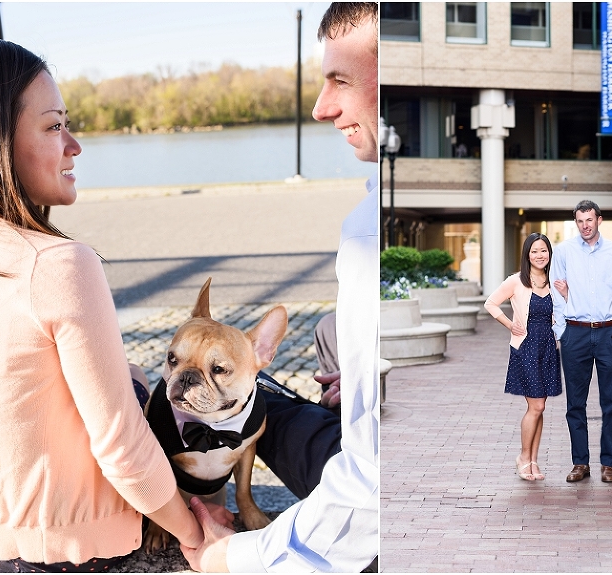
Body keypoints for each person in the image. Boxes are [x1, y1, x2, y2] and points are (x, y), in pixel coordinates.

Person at [180, 3, 379, 571]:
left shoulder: (368, 229)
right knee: (324, 333)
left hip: (368, 493)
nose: (321, 107)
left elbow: (369, 491)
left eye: (341, 79)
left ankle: (247, 403)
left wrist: (234, 554)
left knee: (263, 405)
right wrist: (366, 382)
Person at [0, 39, 204, 572]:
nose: (74, 146)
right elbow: (122, 445)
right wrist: (193, 532)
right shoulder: (56, 265)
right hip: (68, 553)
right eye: (51, 125)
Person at [550, 200, 612, 483]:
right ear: (575, 222)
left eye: (589, 220)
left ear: (599, 220)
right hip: (575, 332)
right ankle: (580, 462)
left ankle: (609, 464)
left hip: (609, 333)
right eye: (580, 221)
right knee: (575, 402)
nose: (585, 226)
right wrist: (562, 330)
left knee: (611, 402)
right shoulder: (563, 252)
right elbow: (555, 291)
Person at [484, 233, 562, 481]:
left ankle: (533, 461)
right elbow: (491, 303)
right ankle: (523, 457)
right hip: (526, 346)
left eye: (544, 251)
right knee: (536, 405)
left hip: (549, 347)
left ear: (549, 254)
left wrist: (567, 293)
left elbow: (566, 311)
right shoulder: (516, 281)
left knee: (541, 407)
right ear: (527, 255)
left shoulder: (555, 281)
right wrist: (509, 324)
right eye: (534, 251)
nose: (540, 255)